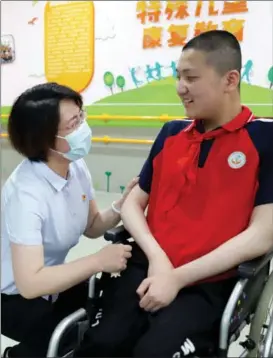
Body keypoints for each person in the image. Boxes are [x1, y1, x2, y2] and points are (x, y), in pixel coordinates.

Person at [75, 30, 273, 357]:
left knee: (154, 352)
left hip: (208, 283)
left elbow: (263, 234)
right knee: (101, 344)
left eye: (191, 77)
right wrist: (158, 259)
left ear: (230, 79)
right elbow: (134, 203)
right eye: (178, 77)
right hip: (147, 265)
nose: (181, 87)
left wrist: (178, 278)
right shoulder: (171, 133)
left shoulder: (264, 139)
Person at [1, 82, 138, 358]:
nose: (83, 128)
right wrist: (98, 261)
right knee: (70, 340)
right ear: (43, 139)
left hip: (52, 283)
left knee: (105, 320)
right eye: (72, 124)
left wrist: (122, 207)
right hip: (14, 298)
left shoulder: (74, 166)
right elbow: (30, 283)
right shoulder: (26, 194)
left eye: (81, 116)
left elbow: (92, 226)